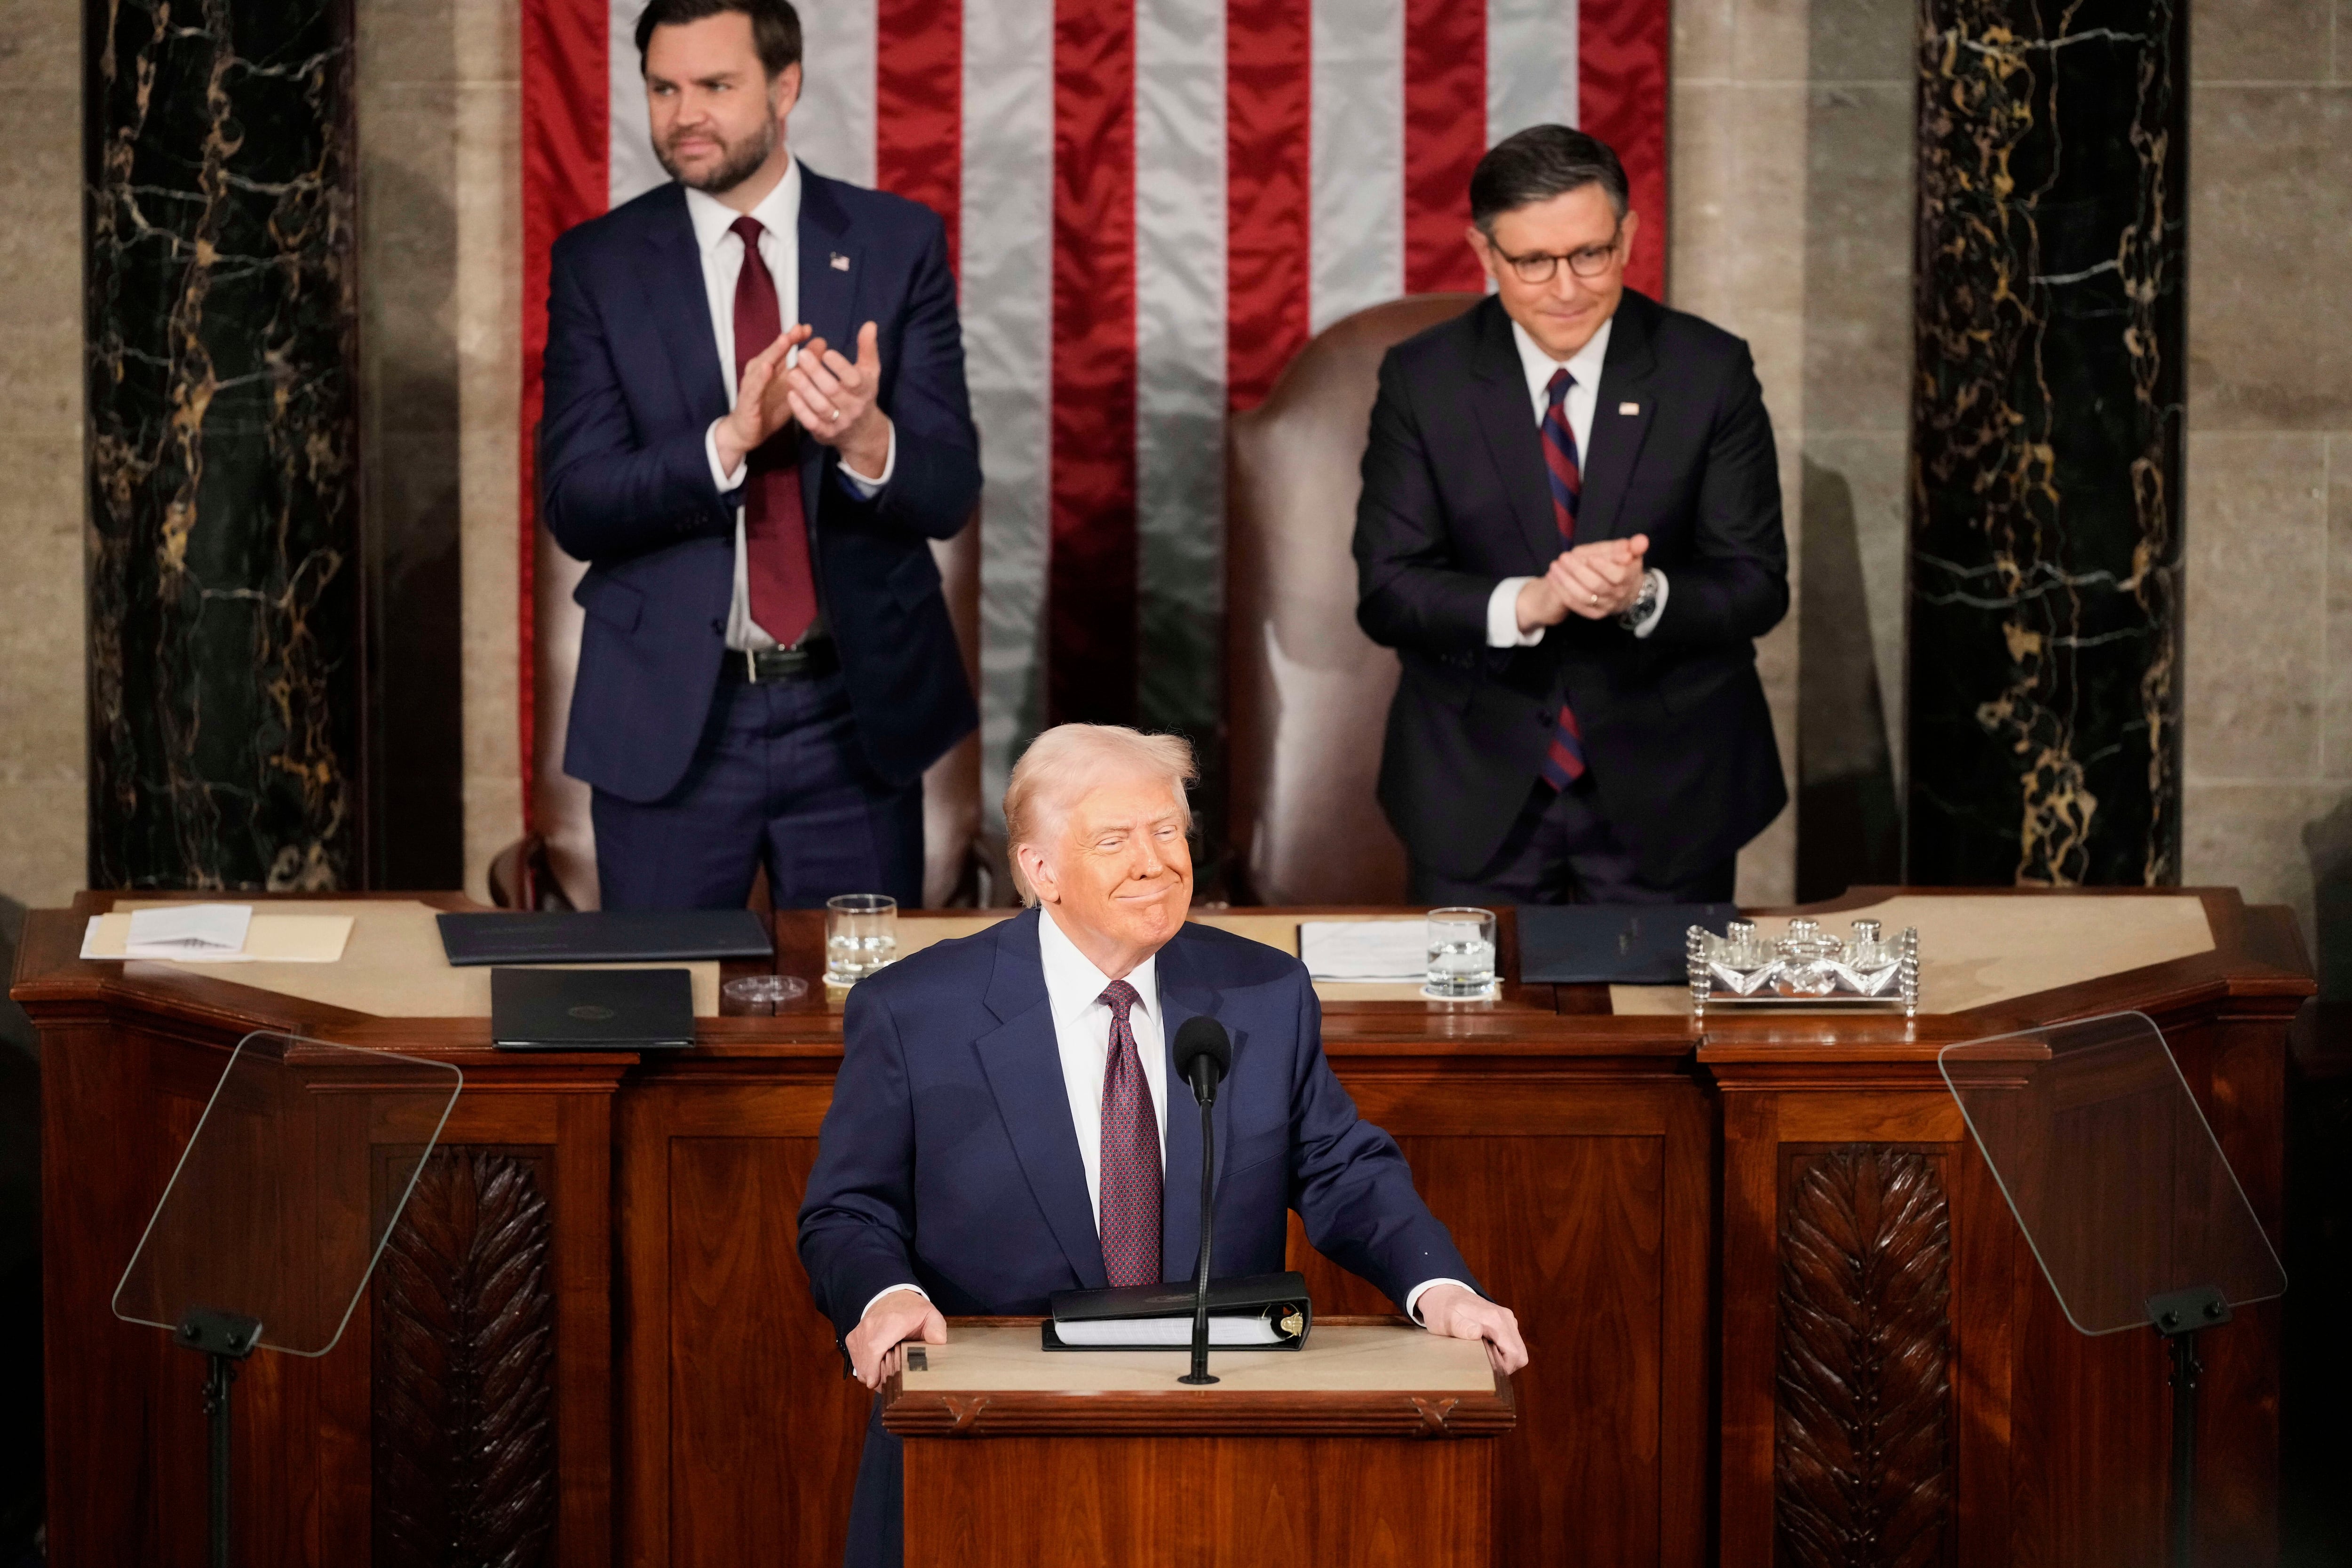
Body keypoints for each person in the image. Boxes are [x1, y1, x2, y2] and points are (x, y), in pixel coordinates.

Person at [798, 724, 1527, 1568]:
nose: (1155, 863)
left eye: (1168, 830)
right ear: (1040, 870)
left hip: (1217, 1449)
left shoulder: (1263, 991)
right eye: (1115, 840)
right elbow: (848, 1210)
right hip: (982, 1450)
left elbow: (1342, 1168)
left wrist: (1439, 1287)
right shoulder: (917, 1010)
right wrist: (883, 1297)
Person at [540, 0, 979, 911]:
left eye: (715, 85)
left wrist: (865, 438)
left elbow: (949, 492)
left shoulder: (895, 244)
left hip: (854, 716)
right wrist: (726, 443)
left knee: (866, 999)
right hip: (671, 720)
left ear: (786, 87)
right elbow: (576, 503)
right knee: (666, 994)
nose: (684, 114)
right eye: (664, 89)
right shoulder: (599, 264)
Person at [1353, 125, 1788, 906]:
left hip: (1670, 786)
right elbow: (1389, 589)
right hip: (1475, 788)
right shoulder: (1425, 379)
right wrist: (1529, 601)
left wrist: (1642, 593)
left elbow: (1756, 584)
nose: (1566, 288)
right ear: (1485, 253)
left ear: (1628, 237)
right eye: (1533, 261)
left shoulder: (1707, 370)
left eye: (1590, 254)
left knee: (1661, 994)